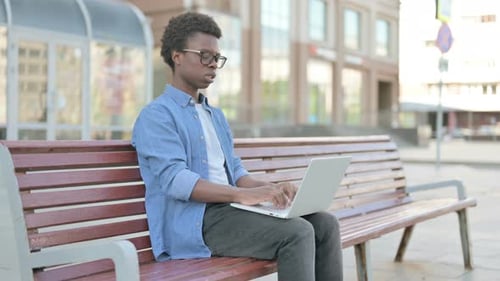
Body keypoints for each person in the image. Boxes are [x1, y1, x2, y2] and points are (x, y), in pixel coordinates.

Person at [132, 12, 343, 281]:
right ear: (177, 56)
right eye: (204, 56)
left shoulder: (214, 116)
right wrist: (239, 196)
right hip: (196, 223)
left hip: (231, 214)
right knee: (298, 233)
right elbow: (176, 181)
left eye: (217, 58)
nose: (213, 65)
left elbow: (234, 171)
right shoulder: (157, 115)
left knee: (324, 224)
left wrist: (270, 189)